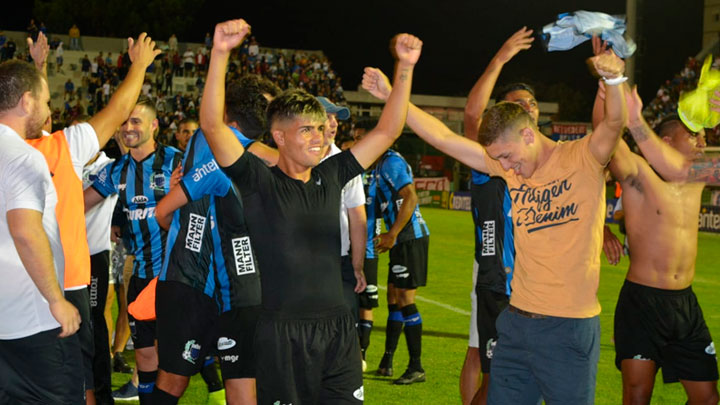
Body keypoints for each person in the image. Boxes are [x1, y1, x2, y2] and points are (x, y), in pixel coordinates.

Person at [362, 50, 626, 404]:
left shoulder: (583, 157)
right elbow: (443, 138)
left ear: (529, 136)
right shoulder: (509, 168)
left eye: (506, 156)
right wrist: (395, 95)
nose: (504, 166)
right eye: (498, 159)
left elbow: (612, 124)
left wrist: (614, 80)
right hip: (515, 324)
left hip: (568, 328)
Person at [201, 19, 420, 404]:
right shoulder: (258, 180)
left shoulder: (333, 174)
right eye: (307, 130)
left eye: (321, 129)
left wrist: (405, 68)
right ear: (280, 137)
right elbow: (213, 127)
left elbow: (387, 131)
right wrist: (219, 54)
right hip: (280, 334)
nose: (319, 138)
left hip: (338, 330)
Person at [27, 31, 160, 405]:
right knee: (75, 344)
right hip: (65, 269)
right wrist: (139, 67)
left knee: (82, 338)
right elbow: (116, 110)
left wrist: (39, 66)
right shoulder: (64, 150)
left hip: (81, 260)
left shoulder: (92, 161)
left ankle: (99, 389)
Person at [591, 37, 720, 401]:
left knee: (707, 397)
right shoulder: (638, 174)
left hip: (685, 303)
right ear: (666, 137)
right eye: (693, 133)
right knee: (637, 395)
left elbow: (682, 168)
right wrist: (606, 88)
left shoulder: (696, 175)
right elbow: (606, 136)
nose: (701, 141)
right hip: (643, 301)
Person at [151, 74, 278, 404]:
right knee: (176, 378)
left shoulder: (230, 150)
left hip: (226, 287)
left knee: (234, 378)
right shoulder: (220, 143)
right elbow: (164, 212)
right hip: (191, 281)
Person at [84, 96, 182, 404]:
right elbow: (79, 202)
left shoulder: (177, 162)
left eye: (136, 121)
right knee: (145, 354)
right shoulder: (117, 171)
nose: (128, 127)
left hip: (176, 275)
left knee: (177, 355)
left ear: (154, 125)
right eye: (124, 121)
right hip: (141, 275)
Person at [0, 59, 82, 405]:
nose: (49, 110)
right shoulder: (23, 156)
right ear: (27, 101)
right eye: (46, 101)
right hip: (33, 322)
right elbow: (24, 230)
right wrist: (56, 300)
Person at [459, 27, 533, 405]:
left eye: (532, 104)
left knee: (523, 375)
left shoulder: (547, 161)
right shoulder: (491, 160)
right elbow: (473, 114)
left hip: (539, 284)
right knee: (487, 360)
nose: (527, 108)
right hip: (497, 278)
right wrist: (500, 57)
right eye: (518, 104)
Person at [317, 96, 368, 330]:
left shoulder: (346, 164)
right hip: (301, 262)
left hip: (339, 261)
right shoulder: (290, 160)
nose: (334, 123)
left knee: (344, 329)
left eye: (336, 118)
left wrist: (356, 265)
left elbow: (357, 218)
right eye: (328, 117)